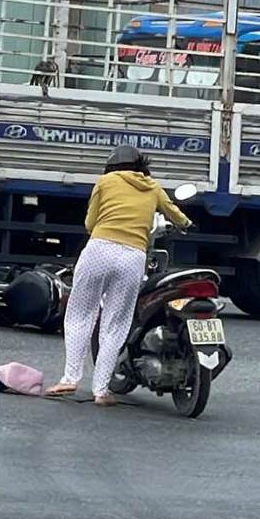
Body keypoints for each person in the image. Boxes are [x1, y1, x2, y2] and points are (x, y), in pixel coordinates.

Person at [46, 146, 191, 405]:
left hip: (100, 249)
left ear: (111, 166)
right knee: (116, 324)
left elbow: (90, 223)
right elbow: (175, 214)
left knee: (80, 313)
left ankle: (70, 378)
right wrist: (185, 225)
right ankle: (101, 391)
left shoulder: (105, 181)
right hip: (133, 257)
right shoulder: (153, 187)